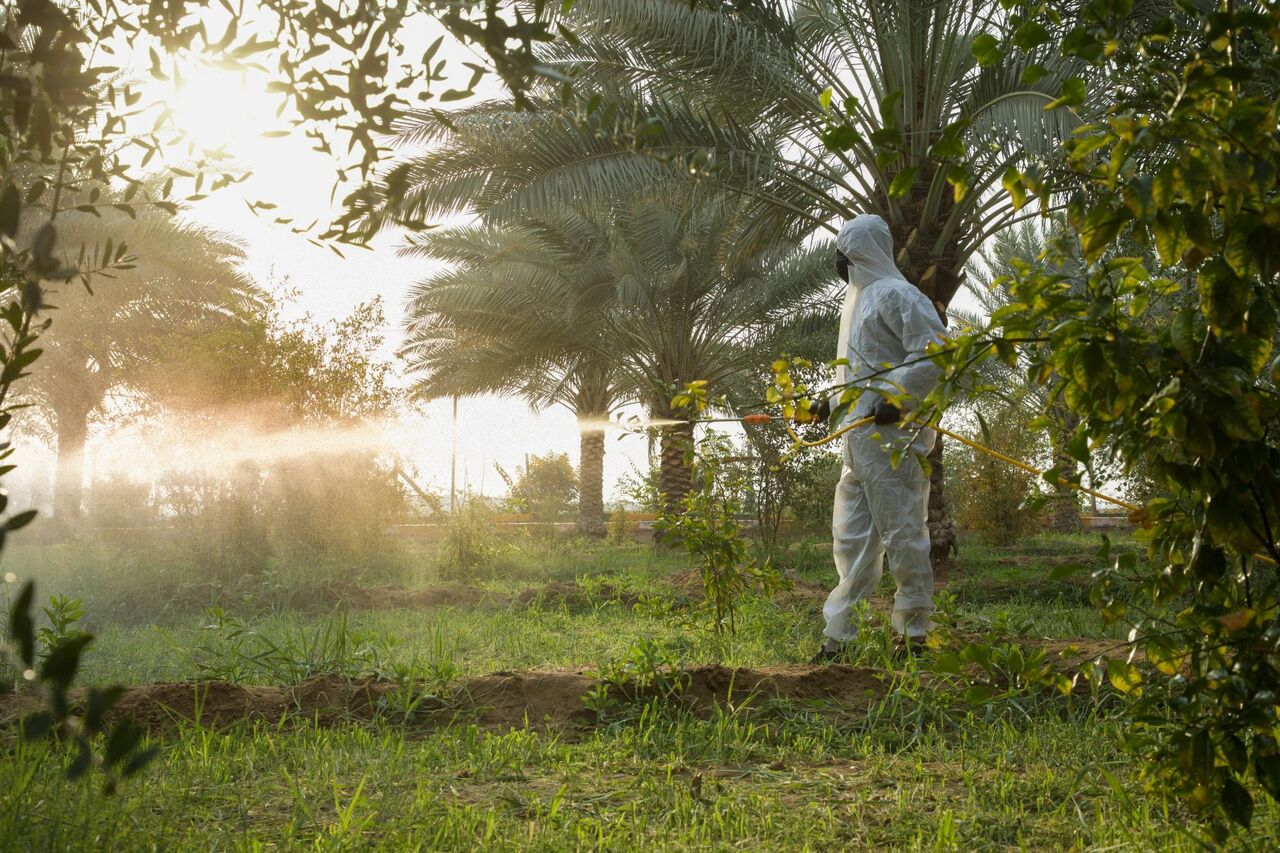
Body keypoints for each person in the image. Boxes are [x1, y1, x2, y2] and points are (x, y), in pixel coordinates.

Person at [811, 214, 948, 661]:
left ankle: (914, 637)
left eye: (845, 254)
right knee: (851, 541)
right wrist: (829, 403)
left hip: (893, 446)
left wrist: (899, 400)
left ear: (864, 251)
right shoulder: (857, 303)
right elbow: (860, 372)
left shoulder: (897, 295)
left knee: (904, 536)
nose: (841, 263)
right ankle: (839, 639)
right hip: (858, 448)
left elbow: (935, 355)